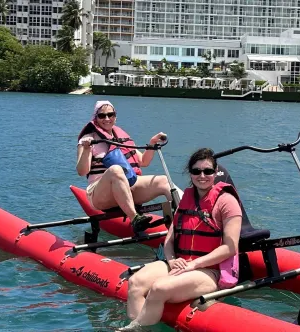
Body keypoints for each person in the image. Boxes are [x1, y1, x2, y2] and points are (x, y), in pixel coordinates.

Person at [119, 148, 243, 331]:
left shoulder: (227, 202)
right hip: (180, 262)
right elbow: (170, 239)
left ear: (215, 173)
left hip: (209, 270)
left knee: (159, 288)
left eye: (208, 171)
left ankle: (134, 328)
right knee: (135, 283)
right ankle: (138, 326)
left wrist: (194, 265)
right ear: (190, 173)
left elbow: (230, 247)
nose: (202, 175)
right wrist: (171, 260)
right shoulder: (187, 199)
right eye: (196, 171)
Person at [76, 100, 171, 231]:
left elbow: (143, 161)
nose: (107, 119)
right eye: (102, 116)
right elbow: (82, 171)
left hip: (126, 189)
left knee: (163, 181)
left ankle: (188, 216)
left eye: (111, 114)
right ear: (95, 118)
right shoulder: (88, 139)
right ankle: (135, 219)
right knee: (116, 170)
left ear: (115, 116)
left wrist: (152, 143)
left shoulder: (120, 137)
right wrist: (87, 149)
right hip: (99, 194)